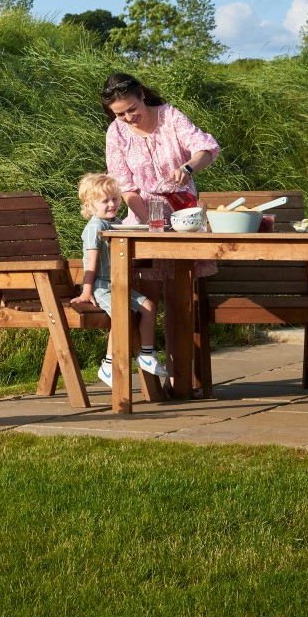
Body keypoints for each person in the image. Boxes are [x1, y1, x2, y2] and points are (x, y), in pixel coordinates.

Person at [73, 172, 166, 384]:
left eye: (114, 198)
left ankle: (147, 355)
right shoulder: (95, 227)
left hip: (119, 285)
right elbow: (91, 263)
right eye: (104, 201)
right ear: (89, 206)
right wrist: (87, 291)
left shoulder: (117, 223)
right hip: (101, 286)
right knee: (122, 314)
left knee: (149, 306)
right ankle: (107, 364)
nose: (112, 204)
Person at [100, 72, 221, 224]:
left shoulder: (170, 116)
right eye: (120, 114)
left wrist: (187, 169)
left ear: (142, 95)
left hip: (185, 215)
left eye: (132, 109)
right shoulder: (116, 132)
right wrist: (150, 223)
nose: (129, 118)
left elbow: (207, 150)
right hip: (142, 218)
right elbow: (126, 188)